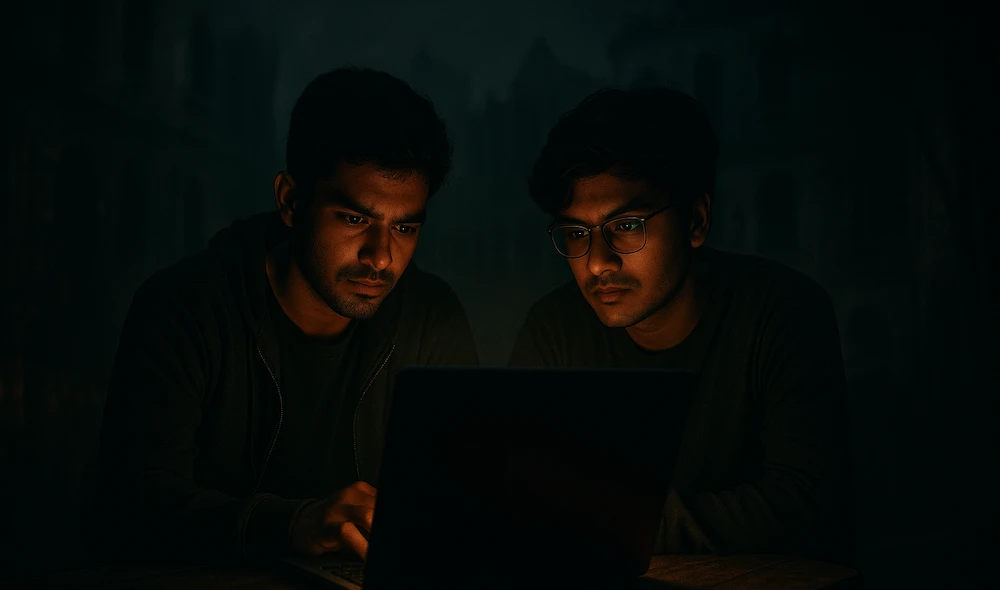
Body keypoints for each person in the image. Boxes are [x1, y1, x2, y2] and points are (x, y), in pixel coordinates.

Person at [88, 68, 478, 564]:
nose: (381, 257)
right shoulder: (183, 308)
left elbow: (461, 501)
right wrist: (288, 526)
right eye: (355, 219)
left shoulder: (431, 317)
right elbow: (128, 509)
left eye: (404, 227)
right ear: (291, 202)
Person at [509, 87, 853, 562]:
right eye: (575, 233)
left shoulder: (782, 311)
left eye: (626, 226)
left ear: (695, 220)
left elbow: (809, 509)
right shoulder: (553, 328)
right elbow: (520, 502)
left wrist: (608, 519)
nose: (596, 263)